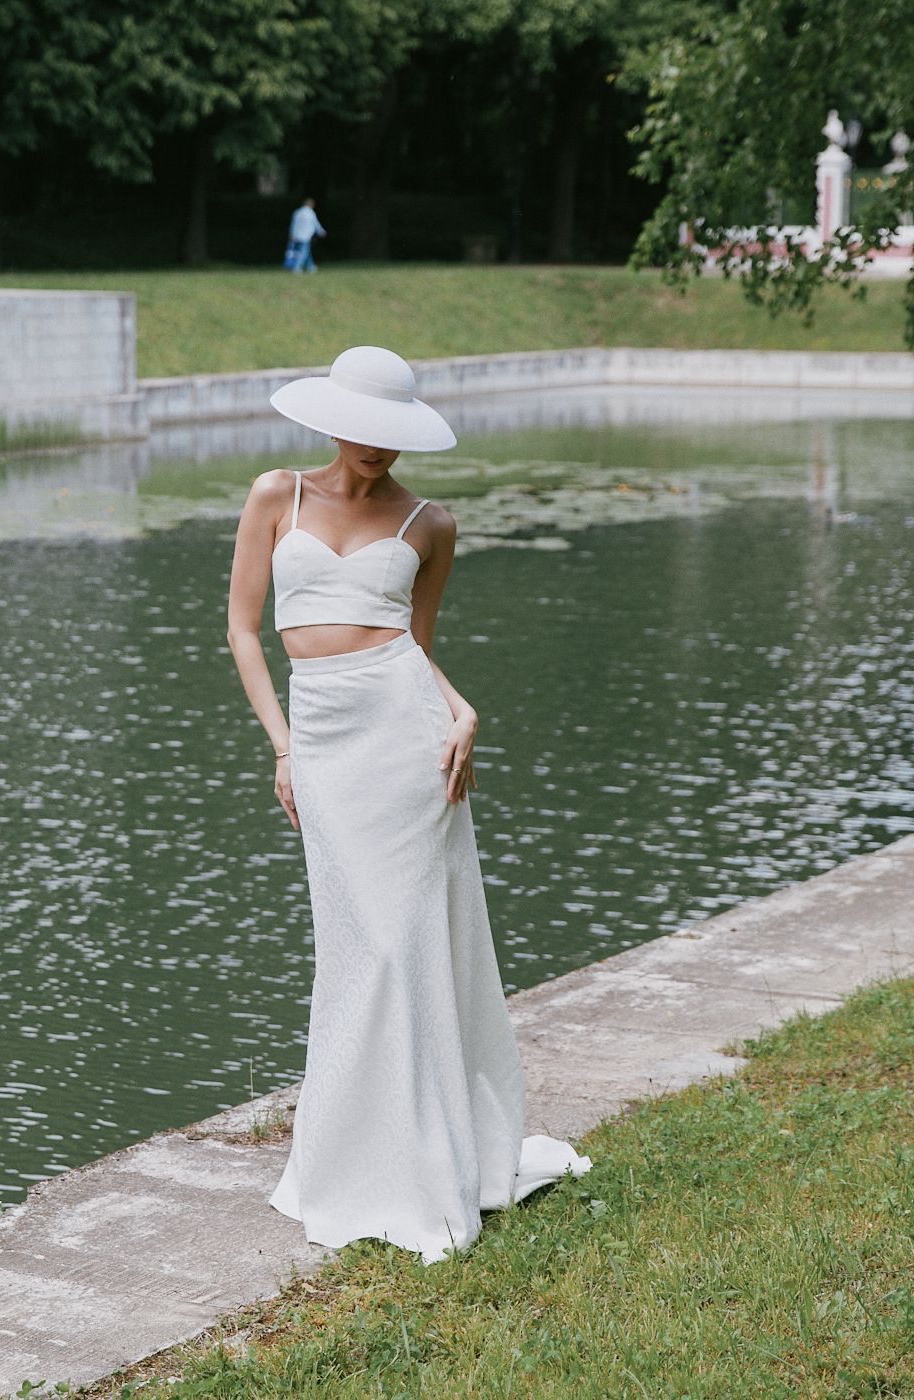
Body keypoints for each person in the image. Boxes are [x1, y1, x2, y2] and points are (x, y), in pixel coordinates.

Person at [227, 345, 590, 1265]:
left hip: (408, 739)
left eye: (392, 434)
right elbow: (242, 628)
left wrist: (462, 709)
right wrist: (283, 747)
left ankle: (427, 1163)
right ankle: (354, 1159)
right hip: (323, 741)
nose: (376, 448)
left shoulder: (433, 523)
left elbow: (414, 648)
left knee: (409, 947)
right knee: (358, 947)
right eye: (363, 430)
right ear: (331, 420)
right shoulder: (276, 495)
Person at [286, 197, 326, 273]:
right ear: (310, 204)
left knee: (306, 251)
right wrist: (321, 231)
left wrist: (292, 234)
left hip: (296, 235)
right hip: (306, 235)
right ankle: (297, 268)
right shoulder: (310, 212)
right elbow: (315, 224)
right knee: (303, 252)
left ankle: (311, 267)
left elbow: (293, 224)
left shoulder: (297, 212)